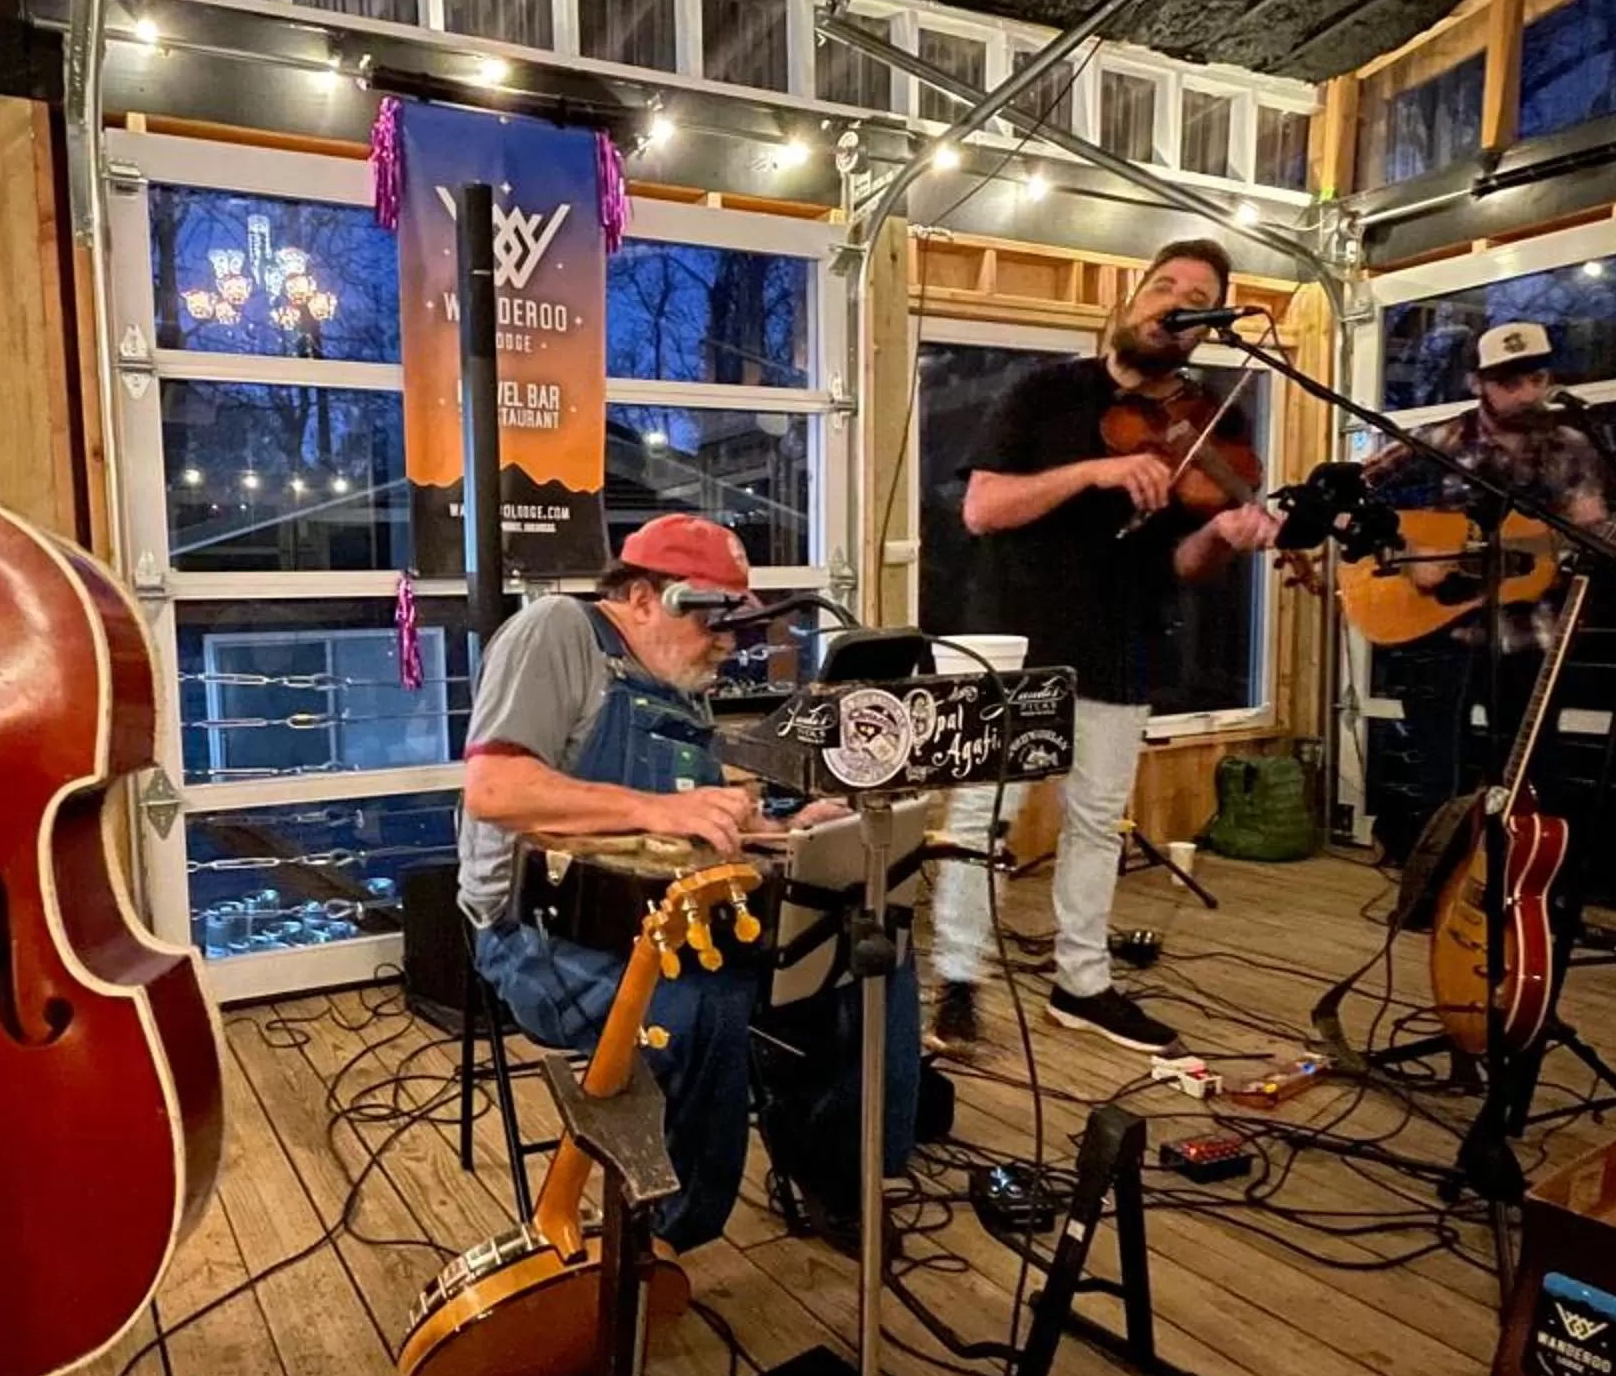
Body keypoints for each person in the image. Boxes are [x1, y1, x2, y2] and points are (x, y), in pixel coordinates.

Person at [457, 516, 919, 1248]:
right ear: (643, 599)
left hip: (660, 918)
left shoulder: (679, 685)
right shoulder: (557, 631)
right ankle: (667, 1235)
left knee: (864, 952)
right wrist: (661, 806)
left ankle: (843, 1176)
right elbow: (494, 787)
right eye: (714, 621)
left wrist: (788, 827)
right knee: (706, 1003)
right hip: (536, 934)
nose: (730, 643)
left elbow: (684, 831)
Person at [931, 239, 1283, 1055]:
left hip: (1123, 635)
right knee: (986, 816)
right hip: (1016, 637)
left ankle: (1082, 983)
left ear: (1205, 326)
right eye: (1163, 286)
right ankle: (957, 978)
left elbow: (1185, 562)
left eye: (1196, 296)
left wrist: (1227, 533)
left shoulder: (1208, 427)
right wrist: (1093, 473)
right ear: (1131, 301)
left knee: (1097, 822)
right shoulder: (1045, 392)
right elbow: (983, 508)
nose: (1175, 302)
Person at [1362, 320, 1609, 866]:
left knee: (1533, 767)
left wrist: (1593, 530)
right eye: (1509, 381)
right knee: (1438, 773)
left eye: (1536, 378)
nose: (1526, 392)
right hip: (1440, 629)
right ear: (1478, 383)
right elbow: (1354, 494)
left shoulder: (1573, 448)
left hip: (1531, 631)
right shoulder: (1438, 441)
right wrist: (1410, 554)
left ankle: (1523, 890)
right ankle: (1433, 887)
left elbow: (1589, 527)